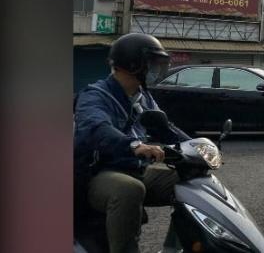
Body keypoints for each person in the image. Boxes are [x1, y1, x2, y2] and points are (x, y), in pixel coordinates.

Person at [74, 33, 191, 253]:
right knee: (129, 190)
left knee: (191, 177)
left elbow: (165, 127)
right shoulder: (95, 95)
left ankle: (182, 246)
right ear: (133, 64)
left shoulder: (142, 96)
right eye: (153, 63)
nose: (157, 69)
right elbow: (96, 128)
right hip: (98, 173)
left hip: (135, 168)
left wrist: (197, 146)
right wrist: (134, 146)